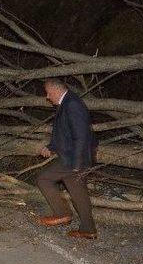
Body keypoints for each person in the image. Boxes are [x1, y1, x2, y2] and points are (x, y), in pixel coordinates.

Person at [36, 78, 98, 239]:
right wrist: (50, 147)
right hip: (75, 156)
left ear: (56, 90)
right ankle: (88, 229)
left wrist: (77, 164)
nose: (47, 97)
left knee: (43, 179)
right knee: (79, 194)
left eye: (48, 93)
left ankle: (62, 214)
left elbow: (81, 135)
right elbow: (65, 134)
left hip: (74, 158)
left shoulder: (72, 104)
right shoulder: (67, 102)